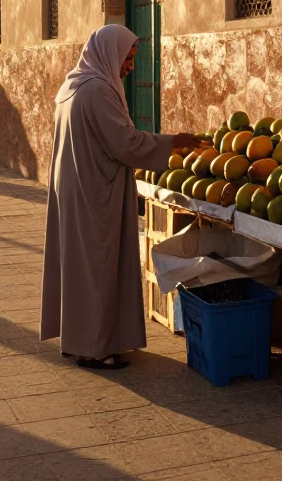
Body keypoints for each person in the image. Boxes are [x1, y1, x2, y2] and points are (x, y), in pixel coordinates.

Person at [39, 25, 202, 370]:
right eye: (127, 58)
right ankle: (95, 349)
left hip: (75, 187)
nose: (129, 66)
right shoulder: (98, 90)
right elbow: (125, 143)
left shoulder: (73, 84)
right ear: (109, 53)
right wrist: (173, 142)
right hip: (94, 192)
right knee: (98, 265)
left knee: (79, 267)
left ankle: (79, 338)